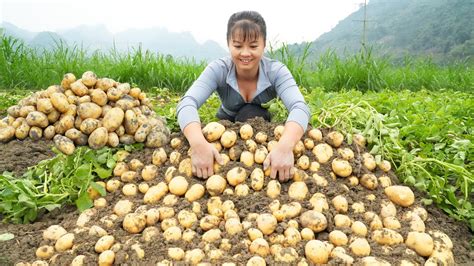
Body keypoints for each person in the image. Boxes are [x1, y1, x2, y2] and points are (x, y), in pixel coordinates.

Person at [176, 10, 310, 182]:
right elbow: (187, 102)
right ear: (229, 44)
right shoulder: (219, 69)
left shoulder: (276, 71)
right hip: (224, 132)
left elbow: (299, 107)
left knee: (252, 113)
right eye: (238, 46)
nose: (245, 53)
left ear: (264, 45)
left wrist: (285, 146)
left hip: (260, 136)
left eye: (253, 46)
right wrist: (198, 143)